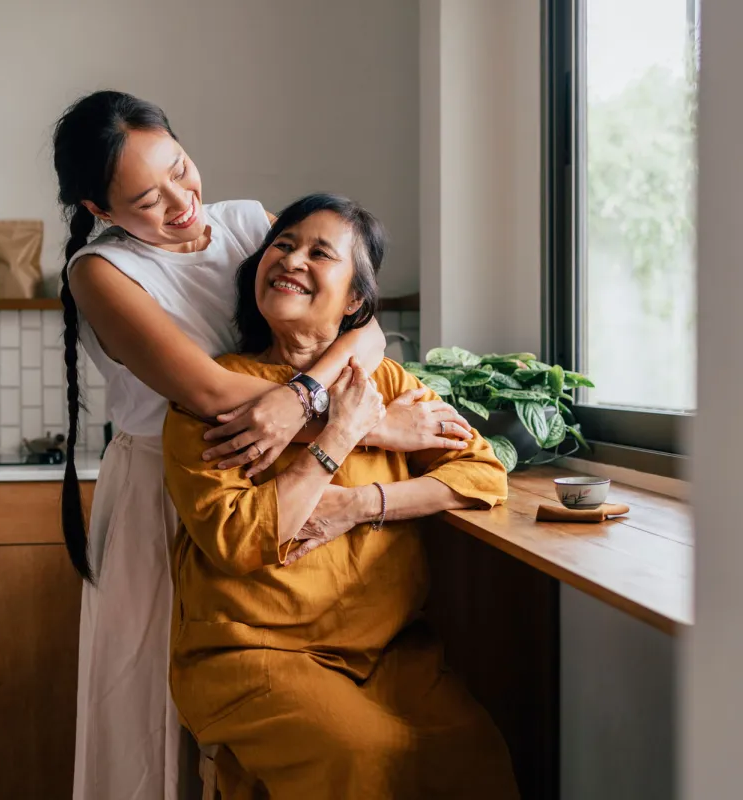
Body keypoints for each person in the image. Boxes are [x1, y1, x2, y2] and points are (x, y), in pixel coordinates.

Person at [53, 92, 474, 800]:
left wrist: (302, 404)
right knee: (155, 715)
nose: (181, 202)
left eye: (181, 170)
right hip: (171, 491)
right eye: (146, 200)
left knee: (281, 727)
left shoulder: (248, 222)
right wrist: (364, 424)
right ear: (100, 211)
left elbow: (362, 327)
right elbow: (212, 395)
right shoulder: (100, 273)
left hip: (284, 477)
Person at [162, 194, 520, 799]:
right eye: (283, 244)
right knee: (364, 759)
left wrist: (360, 505)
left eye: (319, 252)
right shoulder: (214, 394)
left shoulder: (383, 380)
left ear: (355, 300)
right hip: (253, 652)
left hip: (388, 653)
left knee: (474, 752)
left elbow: (483, 473)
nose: (292, 259)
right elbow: (240, 539)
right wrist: (343, 433)